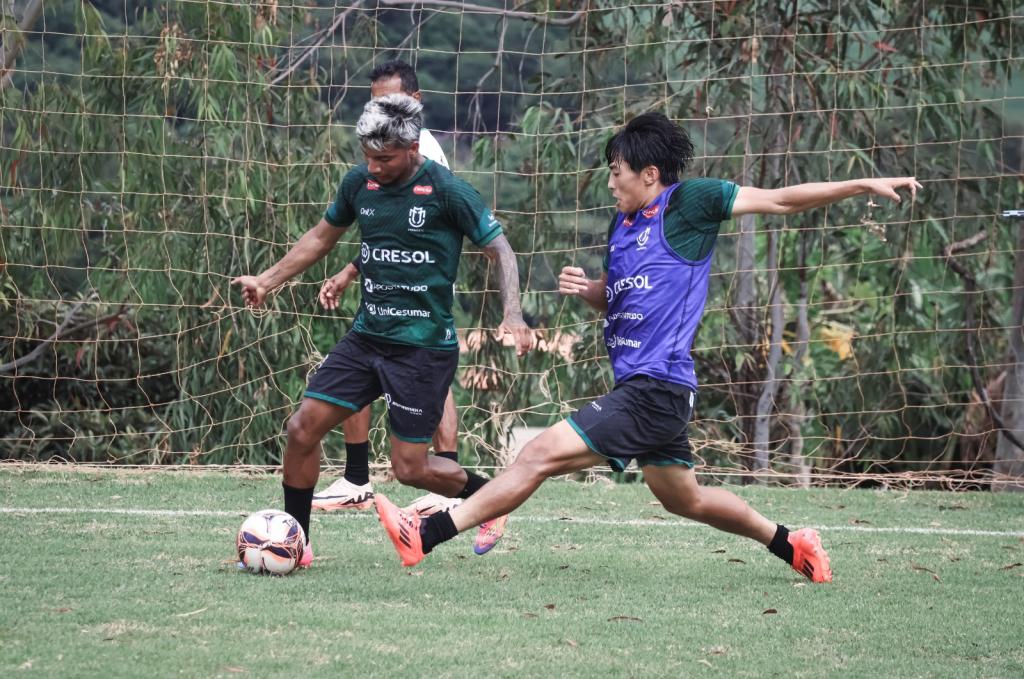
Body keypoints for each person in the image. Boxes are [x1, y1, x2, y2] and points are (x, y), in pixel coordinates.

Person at [376, 111, 923, 582]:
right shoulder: (623, 225)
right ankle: (791, 544)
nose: (611, 184)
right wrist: (594, 291)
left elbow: (780, 199)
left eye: (617, 174)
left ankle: (426, 533)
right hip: (653, 390)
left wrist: (861, 185)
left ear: (650, 174)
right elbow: (621, 301)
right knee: (686, 499)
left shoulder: (691, 205)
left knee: (535, 456)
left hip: (655, 387)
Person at [233, 93, 533, 567]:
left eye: (384, 158)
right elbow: (319, 238)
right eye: (367, 157)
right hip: (367, 338)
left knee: (410, 469)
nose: (372, 167)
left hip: (422, 350)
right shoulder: (360, 184)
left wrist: (513, 313)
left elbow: (503, 252)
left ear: (412, 147)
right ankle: (299, 546)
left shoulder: (450, 192)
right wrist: (266, 281)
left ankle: (488, 500)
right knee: (301, 428)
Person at [311, 59, 462, 519]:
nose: (379, 107)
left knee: (428, 375)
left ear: (414, 103)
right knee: (364, 358)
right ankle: (357, 478)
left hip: (422, 287)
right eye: (374, 99)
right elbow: (381, 233)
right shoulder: (381, 146)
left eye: (390, 99)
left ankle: (447, 477)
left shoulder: (425, 157)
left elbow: (413, 234)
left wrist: (349, 271)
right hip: (383, 281)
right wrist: (351, 271)